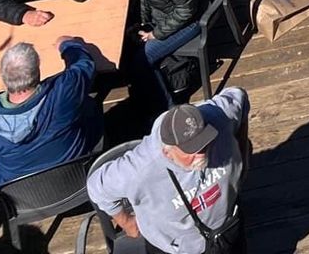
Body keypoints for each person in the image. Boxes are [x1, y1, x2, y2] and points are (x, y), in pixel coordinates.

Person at [87, 89, 250, 254]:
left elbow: (239, 98)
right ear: (167, 152)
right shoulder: (139, 168)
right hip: (177, 249)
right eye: (191, 150)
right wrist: (127, 222)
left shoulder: (218, 116)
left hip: (228, 230)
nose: (201, 154)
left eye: (204, 143)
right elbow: (97, 187)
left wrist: (243, 154)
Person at [0, 38, 100, 188]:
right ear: (38, 72)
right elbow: (84, 65)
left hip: (25, 199)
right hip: (76, 180)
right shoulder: (64, 90)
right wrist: (67, 45)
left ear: (3, 78)